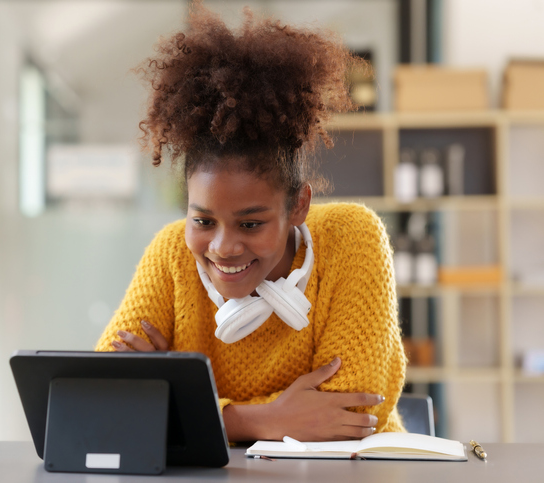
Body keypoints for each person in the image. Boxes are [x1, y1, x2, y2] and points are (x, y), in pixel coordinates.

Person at [95, 1, 406, 442]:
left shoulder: (352, 237)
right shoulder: (171, 253)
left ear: (298, 206)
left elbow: (352, 410)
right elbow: (101, 396)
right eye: (203, 220)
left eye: (251, 224)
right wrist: (262, 419)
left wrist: (174, 402)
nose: (222, 247)